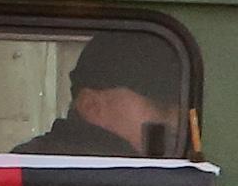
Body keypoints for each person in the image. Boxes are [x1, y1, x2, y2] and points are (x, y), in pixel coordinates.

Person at [14, 26, 187, 158]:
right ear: (92, 106)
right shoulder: (124, 178)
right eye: (159, 107)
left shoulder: (31, 162)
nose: (172, 122)